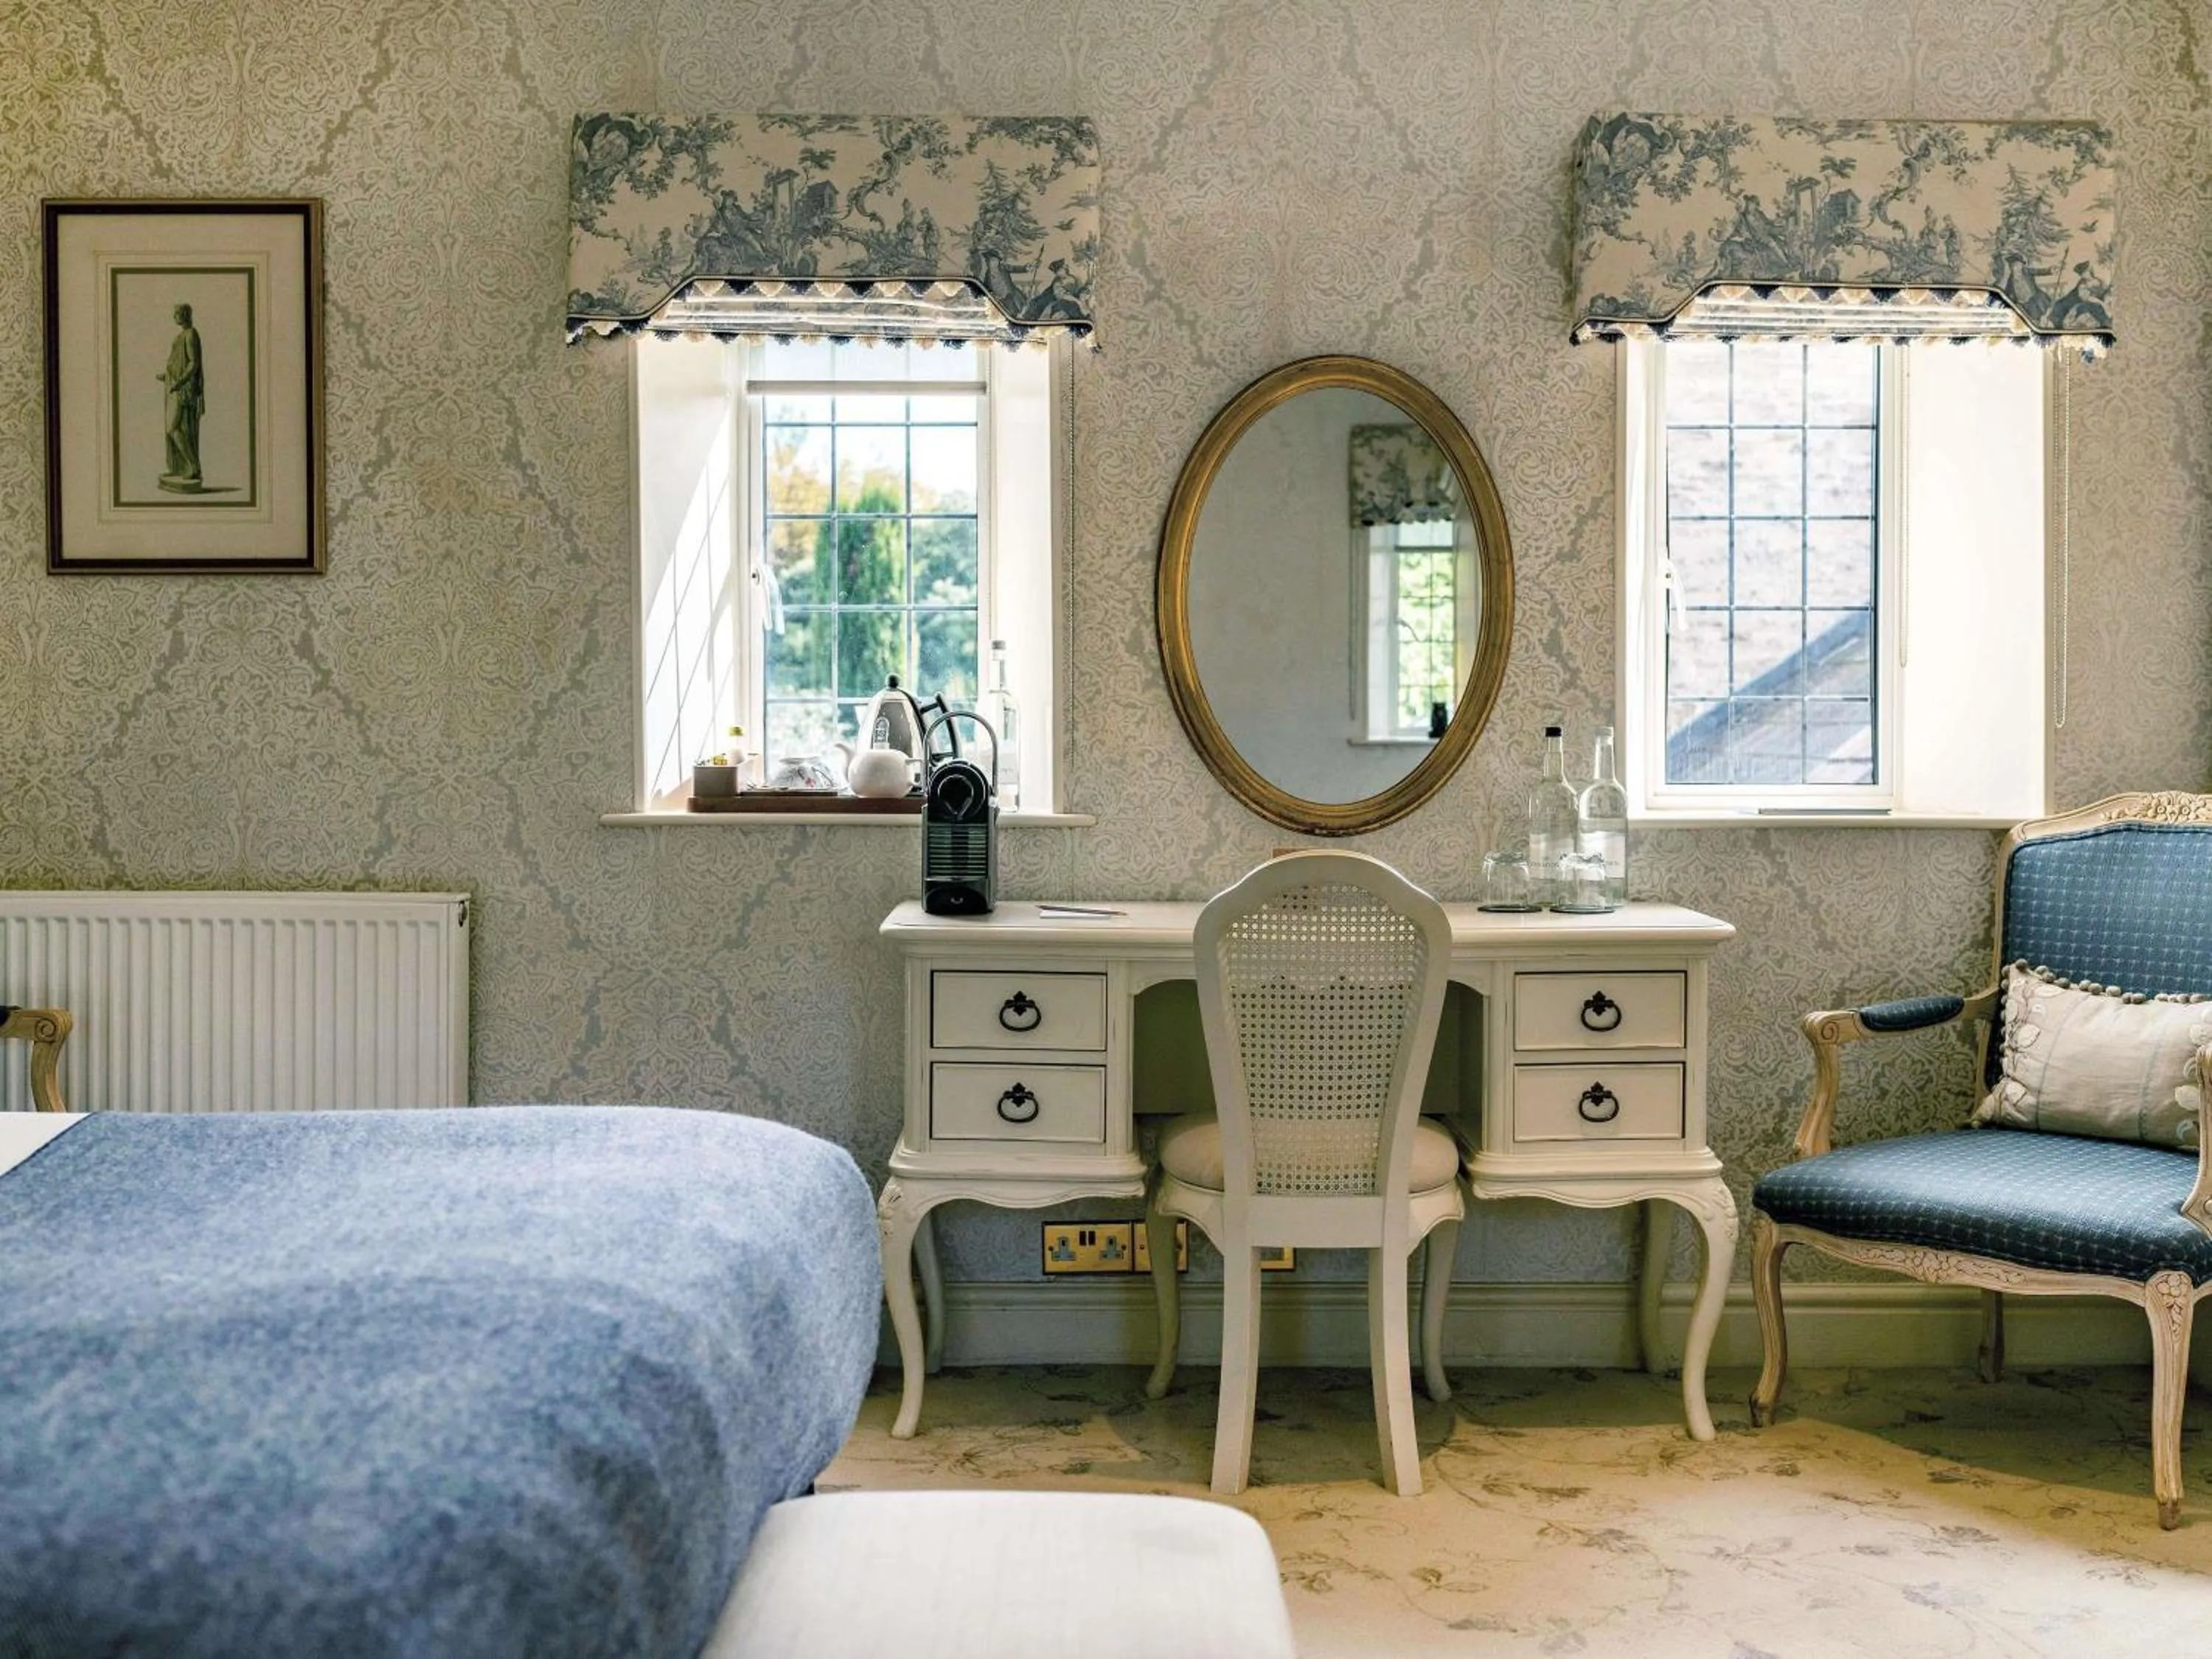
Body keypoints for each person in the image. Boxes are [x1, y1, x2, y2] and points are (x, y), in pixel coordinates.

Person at [157, 302, 204, 491]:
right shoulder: (182, 335)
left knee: (173, 428)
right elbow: (179, 363)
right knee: (176, 428)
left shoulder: (191, 334)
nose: (174, 317)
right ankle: (182, 467)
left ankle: (193, 465)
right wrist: (167, 376)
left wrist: (179, 382)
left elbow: (194, 363)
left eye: (177, 313)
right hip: (175, 386)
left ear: (185, 314)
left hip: (183, 389)